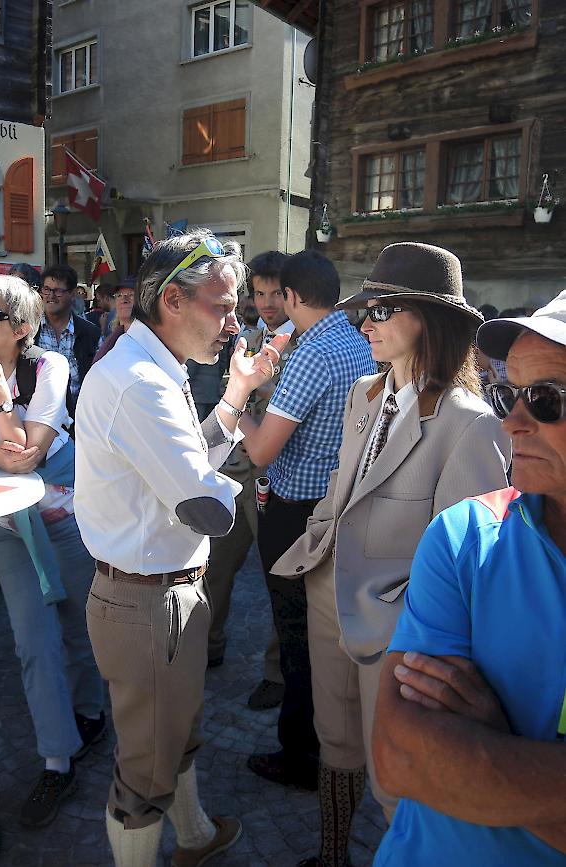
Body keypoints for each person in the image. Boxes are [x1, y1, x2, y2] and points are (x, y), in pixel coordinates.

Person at [270, 242, 511, 867]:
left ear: (429, 319)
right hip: (328, 594)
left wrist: (410, 617)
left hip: (402, 625)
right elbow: (342, 485)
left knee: (394, 773)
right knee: (336, 743)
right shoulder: (364, 393)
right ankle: (331, 858)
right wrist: (319, 541)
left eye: (381, 308)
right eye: (362, 309)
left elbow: (464, 560)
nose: (365, 320)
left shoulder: (470, 421)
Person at [73, 230, 289, 867]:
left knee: (176, 736)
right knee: (145, 771)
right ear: (171, 299)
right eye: (223, 307)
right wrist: (252, 480)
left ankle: (192, 838)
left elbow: (182, 464)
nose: (234, 323)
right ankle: (170, 842)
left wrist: (235, 398)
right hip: (147, 600)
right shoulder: (142, 381)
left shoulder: (149, 369)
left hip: (159, 591)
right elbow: (200, 506)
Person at [372, 292, 566, 866]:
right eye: (507, 393)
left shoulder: (464, 420)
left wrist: (491, 746)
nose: (512, 419)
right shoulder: (467, 536)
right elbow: (396, 757)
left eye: (547, 400)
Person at [0, 274, 104, 828]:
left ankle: (89, 712)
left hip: (68, 509)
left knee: (80, 624)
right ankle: (58, 758)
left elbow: (30, 451)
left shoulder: (48, 367)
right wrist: (5, 456)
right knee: (34, 639)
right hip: (10, 516)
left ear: (23, 328)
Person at [240, 250, 376, 791]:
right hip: (339, 504)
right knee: (323, 636)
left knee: (297, 639)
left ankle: (302, 755)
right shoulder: (355, 340)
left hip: (296, 514)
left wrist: (240, 400)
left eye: (279, 295)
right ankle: (335, 745)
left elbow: (261, 452)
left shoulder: (312, 352)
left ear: (292, 297)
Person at [206, 251, 293, 712]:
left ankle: (278, 672)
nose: (266, 302)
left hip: (275, 472)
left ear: (292, 293)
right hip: (236, 467)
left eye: (275, 293)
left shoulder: (303, 346)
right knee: (215, 563)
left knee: (277, 575)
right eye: (257, 293)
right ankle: (209, 645)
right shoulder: (254, 334)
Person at [36, 265, 100, 415]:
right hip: (35, 416)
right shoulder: (28, 330)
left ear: (72, 294)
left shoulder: (91, 333)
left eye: (58, 291)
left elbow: (97, 379)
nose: (50, 296)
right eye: (46, 289)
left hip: (77, 418)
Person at [92, 277, 136, 363]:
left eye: (131, 295)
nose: (124, 300)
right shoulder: (113, 334)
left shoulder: (148, 336)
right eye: (119, 295)